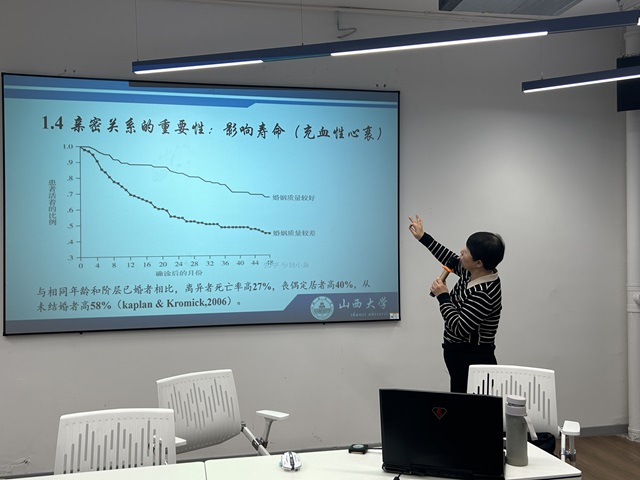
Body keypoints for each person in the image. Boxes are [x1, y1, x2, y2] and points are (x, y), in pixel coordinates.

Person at [408, 214, 505, 393]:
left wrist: (443, 296)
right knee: (459, 403)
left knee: (469, 407)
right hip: (458, 356)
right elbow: (448, 256)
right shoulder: (473, 272)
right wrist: (423, 237)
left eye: (466, 251)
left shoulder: (484, 292)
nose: (461, 252)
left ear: (478, 263)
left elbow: (459, 328)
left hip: (473, 360)